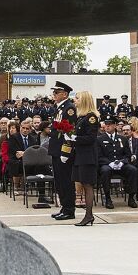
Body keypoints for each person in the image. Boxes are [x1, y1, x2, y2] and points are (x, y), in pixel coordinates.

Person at [69, 90, 102, 227]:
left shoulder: (91, 117)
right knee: (82, 183)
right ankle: (88, 215)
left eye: (77, 98)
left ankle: (89, 215)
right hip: (80, 155)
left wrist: (75, 138)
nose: (74, 101)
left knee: (87, 185)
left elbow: (91, 138)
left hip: (87, 156)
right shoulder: (81, 117)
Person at [48, 80, 79, 221]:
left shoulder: (69, 108)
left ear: (65, 94)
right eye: (54, 92)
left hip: (62, 150)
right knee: (59, 181)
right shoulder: (60, 108)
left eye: (56, 92)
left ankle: (69, 209)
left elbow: (69, 133)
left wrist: (65, 152)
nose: (54, 94)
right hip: (56, 148)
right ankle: (64, 207)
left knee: (65, 180)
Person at [97, 117, 136, 209]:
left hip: (121, 164)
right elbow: (99, 156)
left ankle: (131, 197)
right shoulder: (100, 139)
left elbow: (128, 155)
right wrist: (110, 163)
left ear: (115, 125)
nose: (107, 126)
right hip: (107, 165)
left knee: (133, 170)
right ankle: (108, 198)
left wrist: (122, 162)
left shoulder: (122, 139)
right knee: (105, 171)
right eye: (106, 125)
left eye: (109, 125)